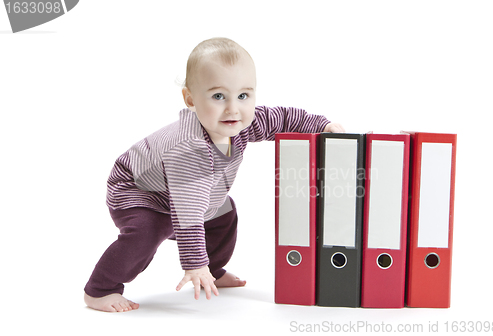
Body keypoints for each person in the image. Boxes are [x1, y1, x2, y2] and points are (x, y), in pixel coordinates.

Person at [83, 37, 345, 312]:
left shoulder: (243, 122)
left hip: (192, 195)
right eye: (218, 96)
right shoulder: (189, 148)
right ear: (190, 99)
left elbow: (284, 119)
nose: (233, 108)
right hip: (138, 192)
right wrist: (195, 264)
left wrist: (321, 125)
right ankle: (101, 289)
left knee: (224, 215)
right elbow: (188, 213)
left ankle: (215, 271)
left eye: (243, 96)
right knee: (147, 232)